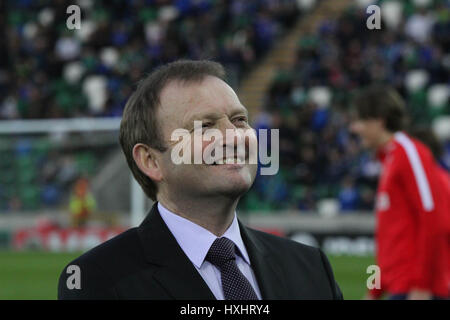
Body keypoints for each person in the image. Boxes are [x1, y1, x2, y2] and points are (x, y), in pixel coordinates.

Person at [58, 60, 343, 300]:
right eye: (204, 126)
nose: (233, 136)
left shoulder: (311, 268)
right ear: (151, 161)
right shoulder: (97, 282)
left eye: (240, 120)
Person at [350, 85, 449, 300]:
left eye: (359, 121)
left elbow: (434, 220)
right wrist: (374, 290)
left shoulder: (409, 153)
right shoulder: (391, 160)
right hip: (400, 289)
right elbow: (389, 243)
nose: (354, 128)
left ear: (378, 121)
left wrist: (422, 286)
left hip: (416, 290)